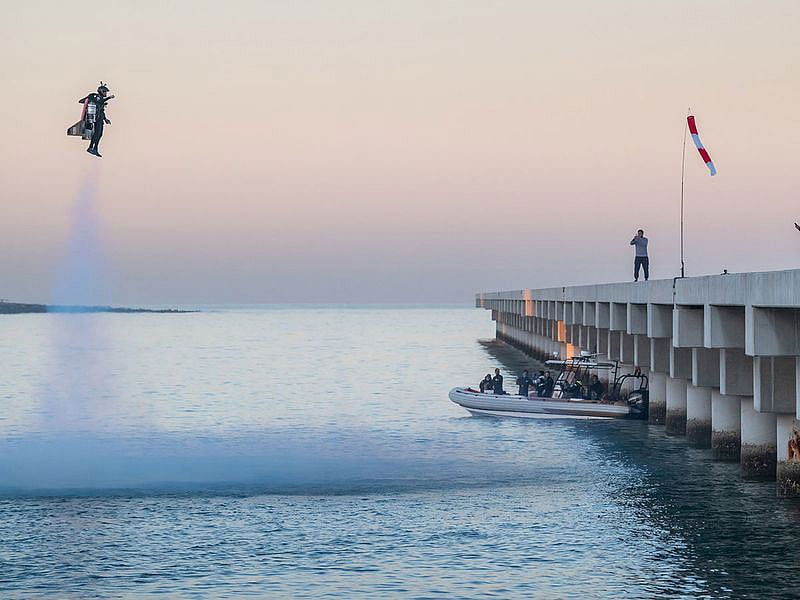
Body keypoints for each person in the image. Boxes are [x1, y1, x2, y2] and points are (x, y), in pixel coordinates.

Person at [87, 83, 114, 157]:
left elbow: (102, 111)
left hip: (100, 119)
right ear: (101, 91)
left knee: (99, 134)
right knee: (96, 134)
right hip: (97, 119)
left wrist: (105, 119)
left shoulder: (101, 99)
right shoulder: (97, 97)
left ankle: (93, 148)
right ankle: (91, 148)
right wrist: (109, 98)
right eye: (105, 92)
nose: (106, 93)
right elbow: (99, 102)